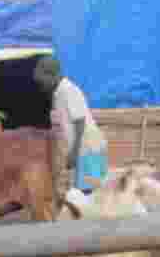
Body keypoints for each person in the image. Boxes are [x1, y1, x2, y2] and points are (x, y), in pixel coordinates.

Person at [33, 55, 109, 200]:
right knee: (82, 192)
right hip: (82, 149)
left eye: (42, 82)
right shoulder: (57, 93)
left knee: (90, 193)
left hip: (88, 147)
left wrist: (74, 151)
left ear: (52, 75)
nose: (41, 86)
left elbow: (80, 121)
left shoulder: (67, 90)